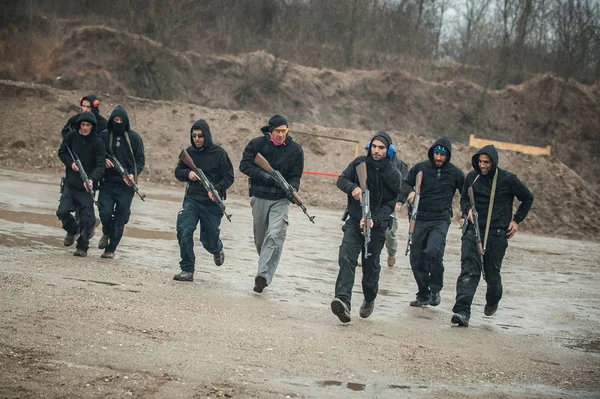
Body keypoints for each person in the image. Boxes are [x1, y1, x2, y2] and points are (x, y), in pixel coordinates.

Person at [451, 145, 533, 327]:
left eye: (486, 162)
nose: (482, 165)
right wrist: (467, 211)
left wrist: (516, 220)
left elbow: (528, 198)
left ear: (494, 162)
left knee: (491, 274)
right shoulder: (472, 177)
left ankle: (493, 298)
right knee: (469, 272)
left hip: (496, 234)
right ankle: (462, 311)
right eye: (480, 161)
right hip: (473, 232)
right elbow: (464, 198)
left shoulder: (508, 180)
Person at [331, 131, 401, 323]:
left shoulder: (394, 174)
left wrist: (373, 220)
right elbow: (341, 180)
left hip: (376, 227)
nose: (376, 151)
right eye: (374, 146)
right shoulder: (359, 163)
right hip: (354, 221)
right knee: (346, 257)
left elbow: (390, 205)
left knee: (370, 267)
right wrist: (353, 188)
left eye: (381, 148)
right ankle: (343, 302)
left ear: (388, 150)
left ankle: (369, 297)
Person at [239, 114, 304, 294]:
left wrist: (293, 190)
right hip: (259, 197)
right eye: (278, 131)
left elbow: (295, 176)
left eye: (284, 131)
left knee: (275, 235)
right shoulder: (256, 144)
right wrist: (264, 175)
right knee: (261, 240)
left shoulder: (296, 150)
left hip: (281, 200)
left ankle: (263, 276)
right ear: (270, 131)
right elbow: (244, 165)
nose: (281, 134)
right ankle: (265, 266)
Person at [401, 137, 464, 307]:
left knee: (432, 252)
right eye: (436, 153)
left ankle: (435, 289)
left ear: (448, 156)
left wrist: (466, 212)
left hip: (440, 219)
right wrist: (410, 192)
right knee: (416, 257)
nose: (438, 158)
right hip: (420, 218)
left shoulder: (455, 173)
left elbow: (467, 194)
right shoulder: (420, 168)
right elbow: (405, 183)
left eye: (442, 155)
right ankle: (423, 293)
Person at [173, 120, 234, 281]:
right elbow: (178, 172)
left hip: (212, 204)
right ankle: (187, 269)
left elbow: (229, 177)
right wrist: (188, 174)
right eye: (194, 136)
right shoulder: (189, 153)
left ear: (206, 135)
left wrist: (216, 189)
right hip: (192, 200)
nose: (197, 139)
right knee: (184, 230)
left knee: (208, 240)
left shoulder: (219, 153)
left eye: (200, 135)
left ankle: (217, 248)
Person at [97, 105, 145, 259]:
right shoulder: (103, 136)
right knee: (104, 212)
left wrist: (132, 175)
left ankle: (110, 249)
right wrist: (103, 161)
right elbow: (96, 154)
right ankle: (106, 231)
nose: (118, 123)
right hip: (107, 182)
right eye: (115, 120)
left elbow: (140, 160)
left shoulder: (134, 138)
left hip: (126, 185)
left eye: (121, 120)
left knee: (120, 217)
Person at [56, 112, 105, 256]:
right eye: (82, 125)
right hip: (71, 185)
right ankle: (73, 230)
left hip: (87, 187)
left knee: (87, 219)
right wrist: (70, 163)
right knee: (62, 211)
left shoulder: (98, 142)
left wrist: (91, 179)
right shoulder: (71, 137)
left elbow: (100, 165)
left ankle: (83, 247)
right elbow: (62, 152)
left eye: (87, 125)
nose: (84, 128)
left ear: (92, 126)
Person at [384, 150, 409, 267]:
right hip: (375, 202)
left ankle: (391, 253)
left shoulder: (399, 165)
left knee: (390, 233)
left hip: (391, 203)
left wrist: (400, 201)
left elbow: (405, 184)